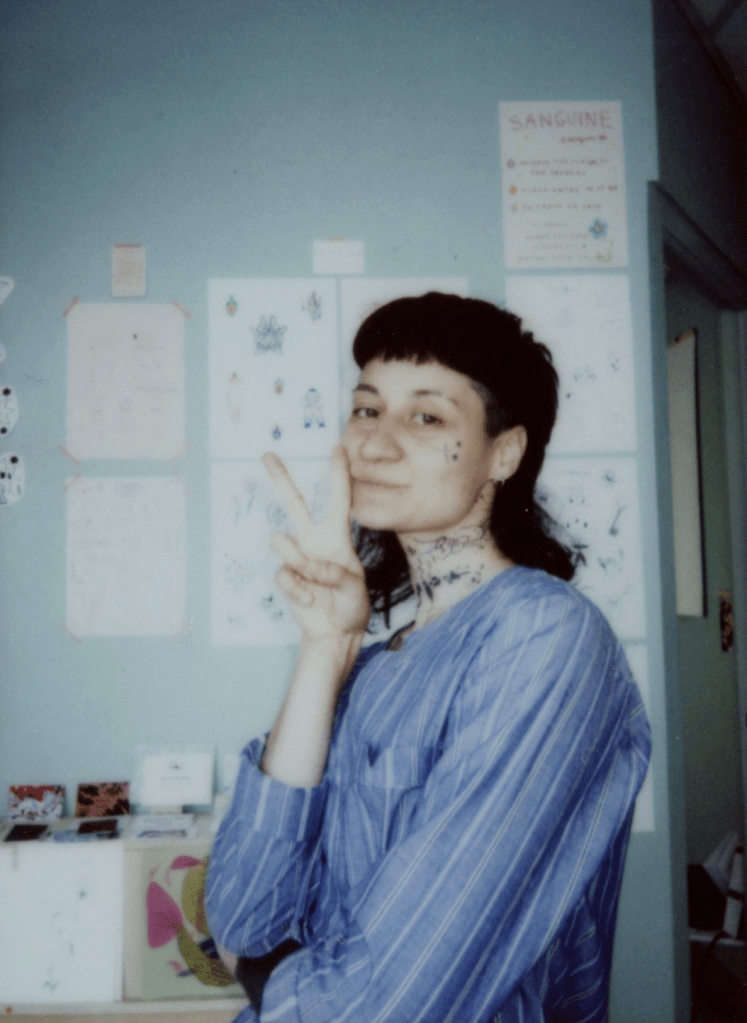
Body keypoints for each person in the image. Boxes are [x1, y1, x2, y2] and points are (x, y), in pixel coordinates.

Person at [205, 292, 651, 1023]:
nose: (374, 444)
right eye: (366, 409)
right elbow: (242, 913)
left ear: (503, 452)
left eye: (427, 417)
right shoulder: (373, 661)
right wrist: (325, 648)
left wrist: (260, 974)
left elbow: (388, 1004)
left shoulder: (544, 637)